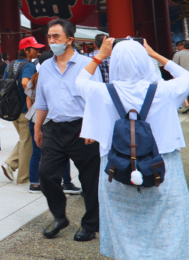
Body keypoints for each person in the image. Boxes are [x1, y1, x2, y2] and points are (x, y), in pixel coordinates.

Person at [76, 37, 189, 259]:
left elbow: (79, 80)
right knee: (168, 224)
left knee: (124, 227)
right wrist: (155, 54)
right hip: (161, 167)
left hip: (116, 169)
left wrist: (99, 56)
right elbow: (186, 75)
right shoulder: (165, 90)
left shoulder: (101, 91)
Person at [33, 19, 101, 242]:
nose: (51, 41)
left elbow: (97, 99)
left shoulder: (87, 64)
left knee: (90, 180)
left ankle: (90, 224)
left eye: (56, 37)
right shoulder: (45, 67)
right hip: (54, 128)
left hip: (82, 128)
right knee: (46, 174)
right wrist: (38, 128)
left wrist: (93, 127)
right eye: (49, 37)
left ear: (69, 39)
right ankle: (59, 217)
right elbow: (41, 100)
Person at [0, 37, 43, 184]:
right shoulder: (29, 65)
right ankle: (23, 177)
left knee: (26, 140)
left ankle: (10, 164)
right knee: (27, 143)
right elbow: (25, 82)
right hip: (25, 109)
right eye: (35, 48)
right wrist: (33, 98)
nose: (37, 51)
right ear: (26, 50)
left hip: (12, 109)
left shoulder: (10, 64)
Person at [26, 69, 75, 193]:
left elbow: (29, 96)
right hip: (49, 117)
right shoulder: (54, 77)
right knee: (63, 150)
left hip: (34, 115)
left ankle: (34, 183)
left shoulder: (34, 77)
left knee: (36, 152)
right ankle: (67, 183)